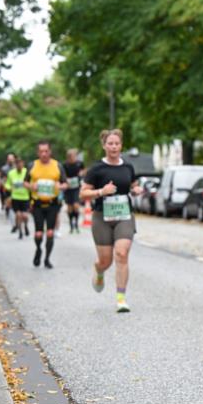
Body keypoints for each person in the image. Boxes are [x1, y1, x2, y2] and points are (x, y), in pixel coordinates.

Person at [80, 129, 144, 313]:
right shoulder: (97, 169)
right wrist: (101, 192)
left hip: (124, 215)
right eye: (110, 143)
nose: (114, 147)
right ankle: (99, 270)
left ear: (121, 145)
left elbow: (132, 184)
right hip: (102, 217)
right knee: (106, 260)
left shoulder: (128, 167)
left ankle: (121, 299)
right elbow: (83, 193)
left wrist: (136, 189)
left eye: (117, 143)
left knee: (122, 254)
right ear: (104, 146)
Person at [25, 141, 67, 268]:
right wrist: (32, 186)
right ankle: (38, 249)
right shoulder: (32, 165)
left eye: (46, 151)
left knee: (49, 232)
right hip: (37, 203)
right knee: (38, 233)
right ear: (38, 153)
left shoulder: (57, 165)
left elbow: (65, 183)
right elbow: (25, 183)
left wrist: (60, 186)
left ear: (50, 152)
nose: (44, 154)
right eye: (41, 151)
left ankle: (47, 259)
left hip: (52, 203)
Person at [4, 156, 31, 239]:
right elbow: (7, 184)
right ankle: (20, 231)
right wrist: (9, 187)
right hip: (15, 197)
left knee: (25, 216)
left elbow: (32, 182)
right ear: (15, 164)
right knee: (18, 215)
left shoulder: (27, 172)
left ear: (23, 164)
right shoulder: (11, 173)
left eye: (21, 163)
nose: (19, 165)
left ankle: (26, 225)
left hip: (25, 197)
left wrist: (29, 187)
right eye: (17, 163)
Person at [62, 148, 85, 234]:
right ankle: (71, 225)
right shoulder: (65, 165)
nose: (73, 158)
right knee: (70, 208)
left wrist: (81, 173)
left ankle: (76, 225)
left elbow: (83, 170)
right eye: (71, 156)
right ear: (68, 157)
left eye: (75, 156)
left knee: (76, 205)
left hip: (76, 187)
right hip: (68, 188)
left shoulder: (79, 163)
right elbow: (62, 175)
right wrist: (66, 179)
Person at [1, 153, 16, 219]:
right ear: (7, 159)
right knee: (8, 201)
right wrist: (4, 186)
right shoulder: (4, 168)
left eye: (12, 158)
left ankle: (14, 212)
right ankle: (8, 211)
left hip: (16, 187)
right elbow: (2, 179)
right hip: (7, 187)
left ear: (14, 159)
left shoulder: (17, 167)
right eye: (9, 159)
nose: (10, 160)